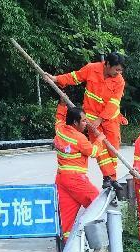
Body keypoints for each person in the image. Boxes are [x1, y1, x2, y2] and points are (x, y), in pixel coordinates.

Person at [49, 52, 127, 191]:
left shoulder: (119, 81)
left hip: (110, 118)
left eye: (121, 70)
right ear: (107, 64)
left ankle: (111, 178)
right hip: (91, 116)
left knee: (113, 149)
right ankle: (109, 178)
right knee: (100, 146)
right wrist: (56, 79)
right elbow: (75, 77)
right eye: (117, 69)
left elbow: (114, 103)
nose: (119, 73)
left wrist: (101, 118)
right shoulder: (92, 68)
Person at [54, 105, 105, 240]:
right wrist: (99, 140)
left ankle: (66, 245)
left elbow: (59, 118)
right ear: (75, 122)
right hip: (75, 179)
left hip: (61, 179)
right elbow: (94, 152)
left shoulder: (59, 130)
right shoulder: (79, 138)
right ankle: (97, 239)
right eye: (83, 121)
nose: (86, 123)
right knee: (98, 204)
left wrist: (61, 104)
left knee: (66, 217)